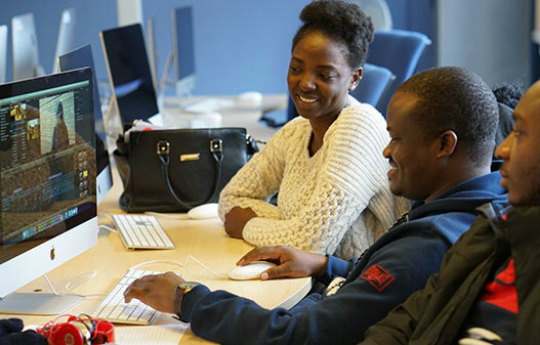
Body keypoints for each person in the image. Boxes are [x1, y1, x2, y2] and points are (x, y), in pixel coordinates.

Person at [124, 66, 507, 345]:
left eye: (397, 140)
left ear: (445, 145)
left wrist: (187, 298)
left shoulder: (427, 245)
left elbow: (297, 336)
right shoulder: (480, 208)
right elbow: (390, 284)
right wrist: (325, 264)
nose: (386, 151)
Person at [218, 0, 409, 258]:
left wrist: (248, 225)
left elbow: (310, 244)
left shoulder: (358, 128)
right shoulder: (296, 131)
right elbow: (230, 200)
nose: (305, 83)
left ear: (354, 78)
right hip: (308, 280)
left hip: (355, 286)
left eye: (325, 75)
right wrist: (293, 225)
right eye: (296, 68)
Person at [359, 80, 540, 344]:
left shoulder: (443, 231)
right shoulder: (496, 226)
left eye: (521, 133)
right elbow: (408, 319)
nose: (502, 149)